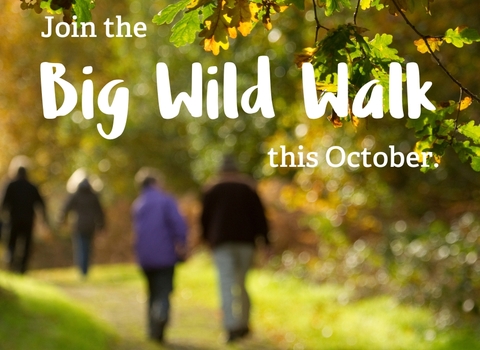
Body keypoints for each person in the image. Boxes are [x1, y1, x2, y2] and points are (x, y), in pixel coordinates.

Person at [200, 155, 269, 343]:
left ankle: (231, 326)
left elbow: (204, 219)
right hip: (246, 243)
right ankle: (243, 323)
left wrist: (205, 240)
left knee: (226, 283)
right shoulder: (247, 189)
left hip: (221, 243)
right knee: (241, 283)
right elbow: (260, 218)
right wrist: (265, 242)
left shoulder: (212, 189)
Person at [132, 171, 188, 343]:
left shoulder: (138, 204)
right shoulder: (165, 201)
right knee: (164, 290)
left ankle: (152, 332)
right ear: (155, 183)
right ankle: (161, 314)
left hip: (145, 256)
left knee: (151, 291)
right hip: (165, 255)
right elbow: (179, 224)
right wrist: (182, 243)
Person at [1, 166, 48, 273]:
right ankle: (22, 268)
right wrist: (44, 220)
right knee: (26, 245)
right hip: (28, 220)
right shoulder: (32, 187)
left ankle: (11, 264)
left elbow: (3, 203)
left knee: (11, 243)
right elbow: (41, 204)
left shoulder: (10, 185)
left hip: (13, 220)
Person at [60, 177, 105, 277]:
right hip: (90, 226)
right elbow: (100, 212)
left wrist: (62, 220)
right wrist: (101, 226)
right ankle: (85, 269)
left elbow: (66, 207)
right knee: (88, 247)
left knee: (80, 247)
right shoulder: (93, 196)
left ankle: (82, 270)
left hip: (78, 225)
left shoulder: (76, 195)